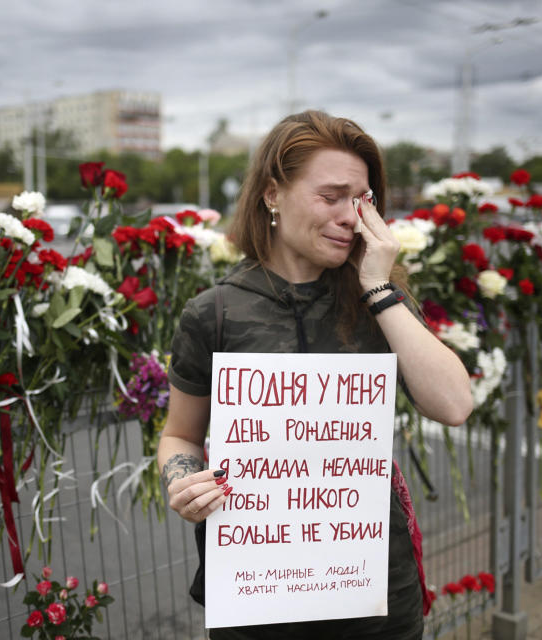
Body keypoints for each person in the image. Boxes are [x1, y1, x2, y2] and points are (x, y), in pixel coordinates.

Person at [157, 110, 473, 639]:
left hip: (373, 594)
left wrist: (379, 288)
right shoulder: (214, 312)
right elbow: (179, 435)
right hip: (255, 595)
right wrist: (181, 481)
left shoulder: (377, 300)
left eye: (362, 200)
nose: (350, 216)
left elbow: (454, 405)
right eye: (331, 196)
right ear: (272, 195)